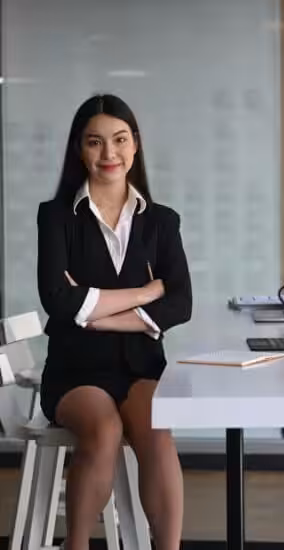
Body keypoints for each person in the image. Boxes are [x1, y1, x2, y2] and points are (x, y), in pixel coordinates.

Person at [36, 93, 192, 550]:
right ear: (79, 150)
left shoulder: (161, 222)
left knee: (157, 432)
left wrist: (99, 315)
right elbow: (59, 301)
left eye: (120, 140)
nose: (109, 154)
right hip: (75, 370)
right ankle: (77, 544)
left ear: (136, 145)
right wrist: (145, 294)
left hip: (142, 366)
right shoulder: (57, 217)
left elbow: (180, 303)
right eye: (95, 142)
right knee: (104, 430)